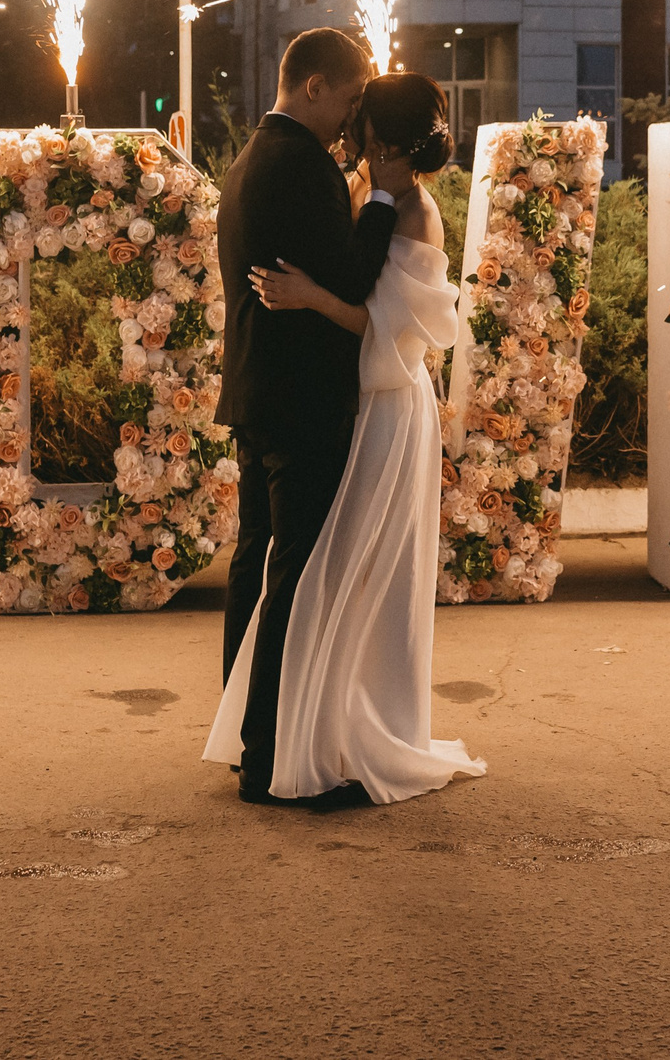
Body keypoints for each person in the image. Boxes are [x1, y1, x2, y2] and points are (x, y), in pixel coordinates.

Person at [203, 70, 486, 809]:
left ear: (380, 136)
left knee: (358, 572)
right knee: (328, 571)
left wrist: (311, 297)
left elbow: (393, 325)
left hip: (390, 407)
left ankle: (339, 731)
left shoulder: (417, 212)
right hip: (354, 404)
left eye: (360, 119)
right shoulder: (366, 197)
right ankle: (302, 733)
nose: (347, 128)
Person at [212, 30, 417, 808]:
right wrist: (387, 196)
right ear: (314, 87)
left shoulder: (251, 158)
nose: (353, 116)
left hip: (257, 392)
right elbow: (356, 275)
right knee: (295, 573)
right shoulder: (302, 166)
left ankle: (244, 736)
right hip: (300, 398)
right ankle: (272, 758)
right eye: (350, 97)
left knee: (255, 565)